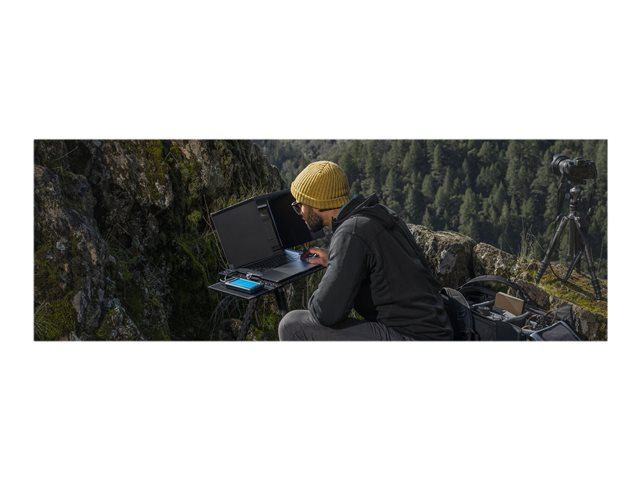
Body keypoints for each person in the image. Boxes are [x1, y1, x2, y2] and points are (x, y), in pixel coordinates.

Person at [278, 160, 452, 341]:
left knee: (292, 325)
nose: (300, 212)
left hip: (412, 338)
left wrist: (331, 274)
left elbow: (325, 313)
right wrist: (336, 261)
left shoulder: (351, 233)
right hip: (437, 328)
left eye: (299, 205)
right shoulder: (378, 214)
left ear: (316, 202)